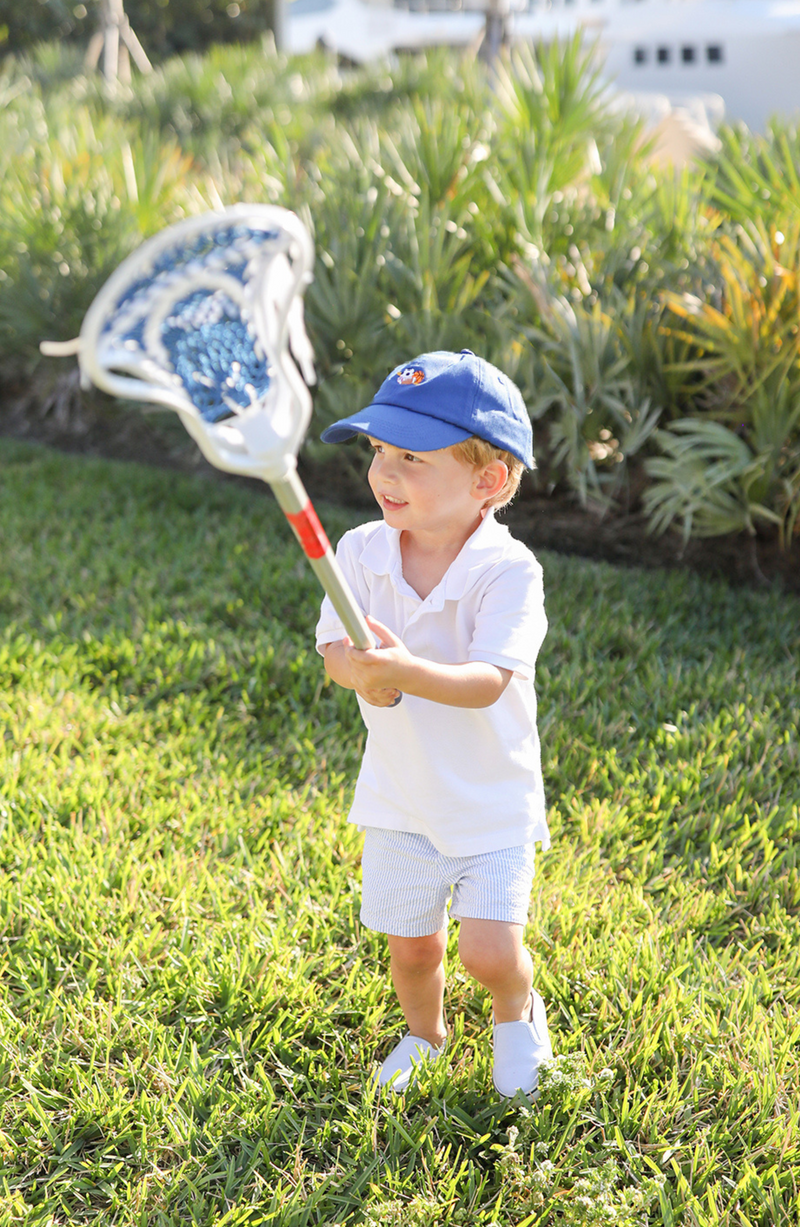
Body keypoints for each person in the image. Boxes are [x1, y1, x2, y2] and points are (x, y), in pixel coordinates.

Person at [314, 349, 553, 1097]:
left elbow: (488, 682)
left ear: (489, 480)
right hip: (402, 795)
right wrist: (359, 673)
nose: (384, 472)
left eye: (412, 457)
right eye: (379, 449)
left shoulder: (508, 571)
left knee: (487, 950)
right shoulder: (359, 550)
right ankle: (426, 1033)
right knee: (411, 949)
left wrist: (403, 672)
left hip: (490, 799)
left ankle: (516, 1009)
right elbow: (332, 649)